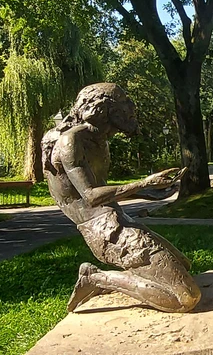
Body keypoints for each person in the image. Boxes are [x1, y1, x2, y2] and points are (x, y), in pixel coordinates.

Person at [42, 83, 202, 313]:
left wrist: (147, 193)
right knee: (186, 298)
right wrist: (143, 182)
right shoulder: (71, 142)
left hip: (118, 219)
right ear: (102, 109)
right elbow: (90, 197)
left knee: (184, 266)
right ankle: (96, 278)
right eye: (124, 102)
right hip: (106, 232)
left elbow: (101, 188)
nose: (131, 107)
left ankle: (129, 276)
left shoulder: (99, 140)